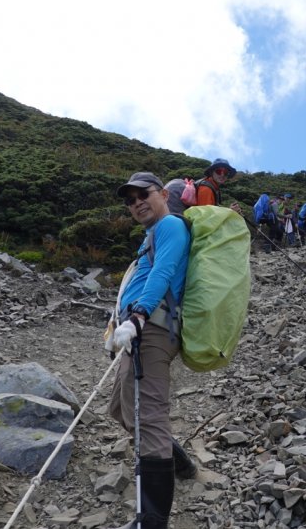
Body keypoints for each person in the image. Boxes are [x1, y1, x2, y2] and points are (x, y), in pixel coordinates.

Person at [109, 171, 191, 528]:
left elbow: (164, 272)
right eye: (130, 200)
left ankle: (152, 520)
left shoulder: (171, 226)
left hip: (153, 329)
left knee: (147, 417)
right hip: (140, 331)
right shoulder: (150, 236)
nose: (137, 202)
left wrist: (138, 317)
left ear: (162, 194)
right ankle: (177, 458)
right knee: (120, 408)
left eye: (143, 194)